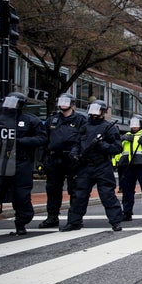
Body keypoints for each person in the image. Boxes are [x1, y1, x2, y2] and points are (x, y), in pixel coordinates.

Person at [61, 100, 124, 232]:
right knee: (79, 195)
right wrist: (74, 154)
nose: (95, 113)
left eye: (98, 110)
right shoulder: (84, 127)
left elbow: (117, 147)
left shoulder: (109, 128)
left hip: (102, 165)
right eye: (93, 110)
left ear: (103, 112)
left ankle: (116, 221)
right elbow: (77, 144)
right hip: (85, 165)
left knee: (107, 194)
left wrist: (103, 146)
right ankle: (74, 222)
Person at [0, 92, 47, 235]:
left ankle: (21, 223)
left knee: (21, 195)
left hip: (21, 162)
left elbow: (41, 139)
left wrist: (20, 142)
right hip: (0, 162)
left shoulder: (30, 121)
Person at [38, 93, 86, 229]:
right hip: (54, 158)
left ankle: (74, 219)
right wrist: (41, 161)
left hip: (73, 159)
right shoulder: (52, 120)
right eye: (61, 101)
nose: (63, 104)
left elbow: (85, 140)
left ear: (72, 104)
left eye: (66, 101)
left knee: (75, 189)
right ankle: (52, 217)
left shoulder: (81, 120)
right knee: (52, 189)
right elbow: (44, 141)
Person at [115, 114, 142, 222]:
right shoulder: (125, 136)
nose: (134, 126)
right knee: (127, 190)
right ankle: (127, 212)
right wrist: (118, 163)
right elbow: (119, 151)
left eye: (136, 124)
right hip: (128, 166)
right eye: (132, 124)